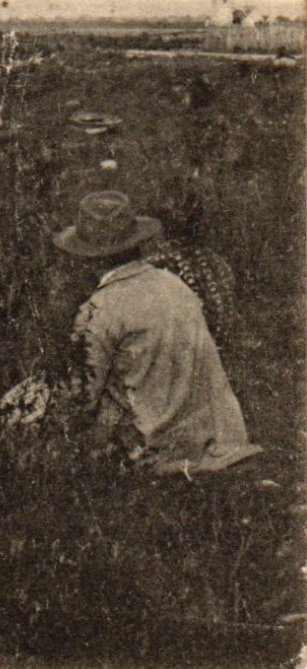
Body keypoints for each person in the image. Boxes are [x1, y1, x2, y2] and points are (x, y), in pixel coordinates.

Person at [51, 191, 261, 475]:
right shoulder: (174, 285)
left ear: (88, 259)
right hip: (217, 442)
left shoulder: (99, 310)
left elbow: (79, 402)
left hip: (155, 452)